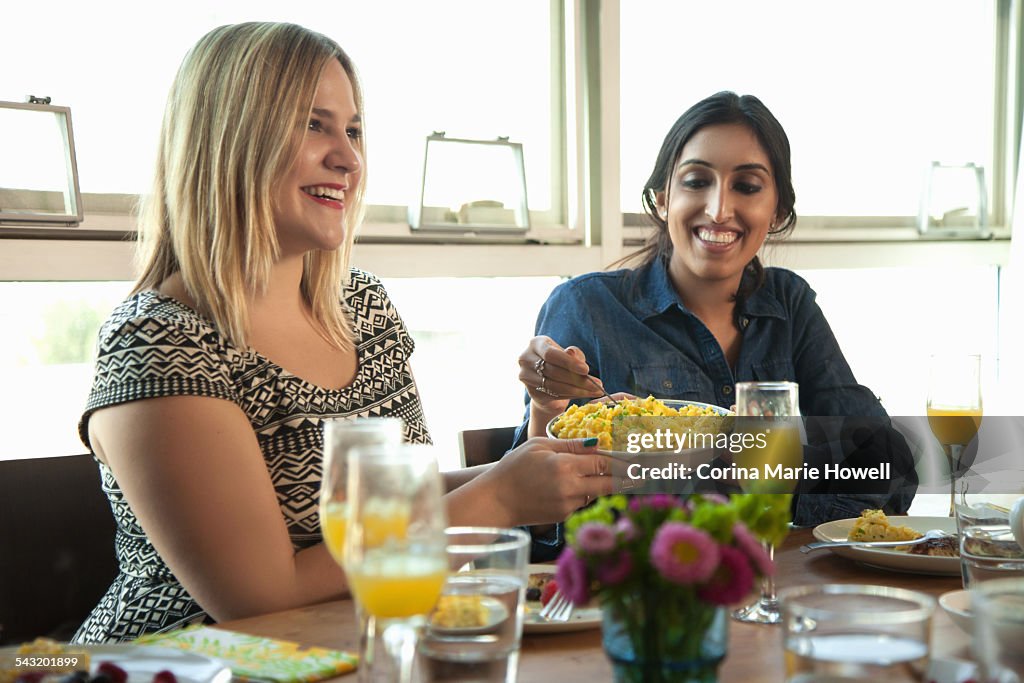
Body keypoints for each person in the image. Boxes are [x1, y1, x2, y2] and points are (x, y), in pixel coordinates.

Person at [74, 22, 613, 643]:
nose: (348, 158)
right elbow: (259, 598)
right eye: (313, 124)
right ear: (228, 138)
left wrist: (541, 460)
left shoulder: (363, 307)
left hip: (360, 650)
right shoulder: (160, 341)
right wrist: (498, 496)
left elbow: (396, 510)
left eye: (352, 130)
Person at [515, 91, 916, 536]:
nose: (719, 210)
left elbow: (885, 464)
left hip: (776, 587)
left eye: (746, 186)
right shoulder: (584, 308)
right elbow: (536, 520)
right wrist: (542, 408)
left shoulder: (790, 306)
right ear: (663, 198)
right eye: (696, 181)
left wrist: (781, 512)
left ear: (777, 209)